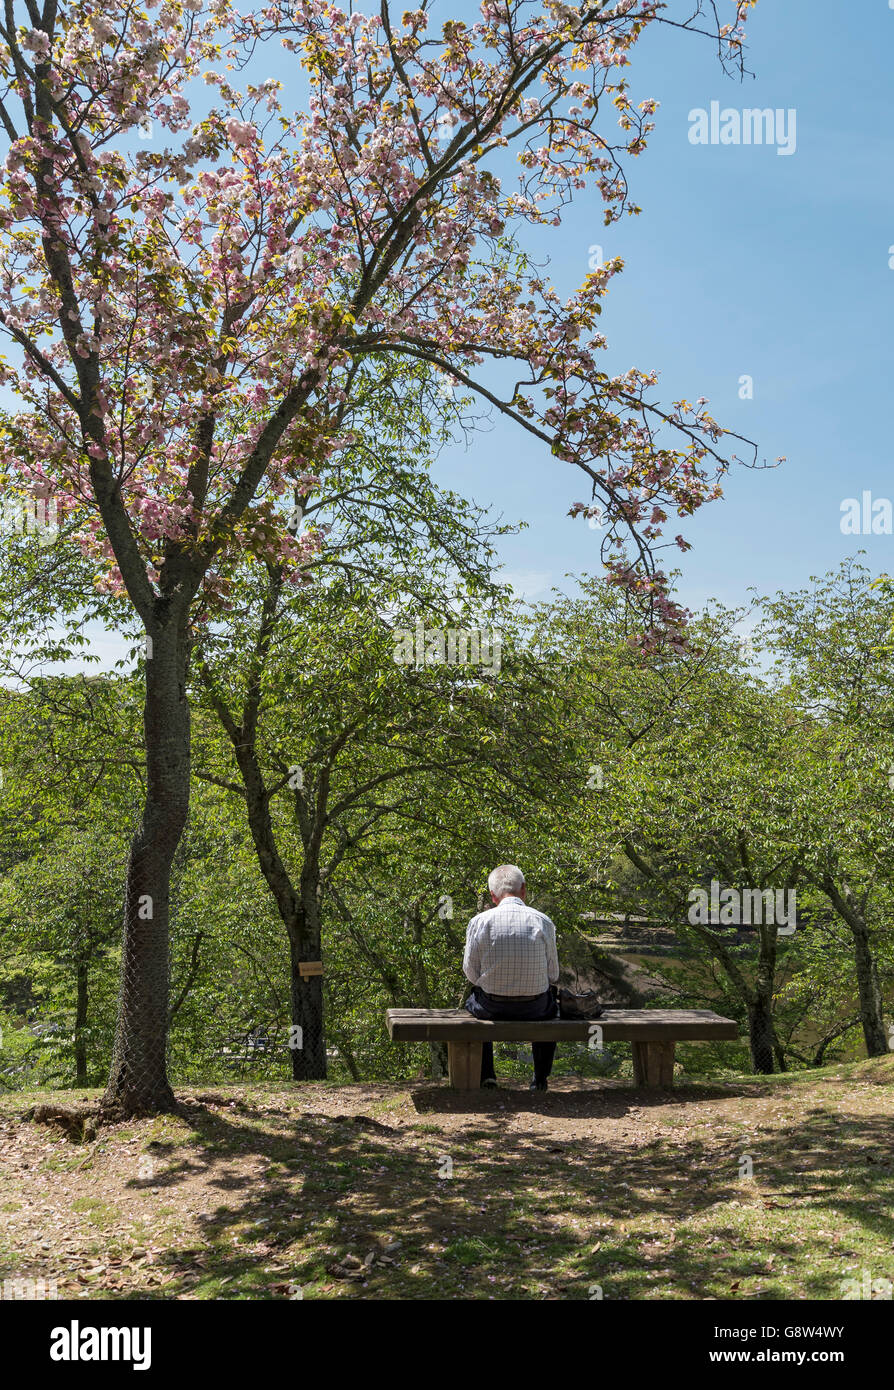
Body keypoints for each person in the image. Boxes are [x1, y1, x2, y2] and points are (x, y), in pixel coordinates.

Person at [462, 864, 560, 1091]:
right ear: (523, 890)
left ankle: (487, 1076)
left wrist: (492, 983)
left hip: (491, 1007)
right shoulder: (543, 921)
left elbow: (470, 972)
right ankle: (540, 1079)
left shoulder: (479, 922)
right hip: (536, 1008)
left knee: (474, 1000)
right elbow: (553, 974)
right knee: (550, 1005)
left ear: (492, 896)